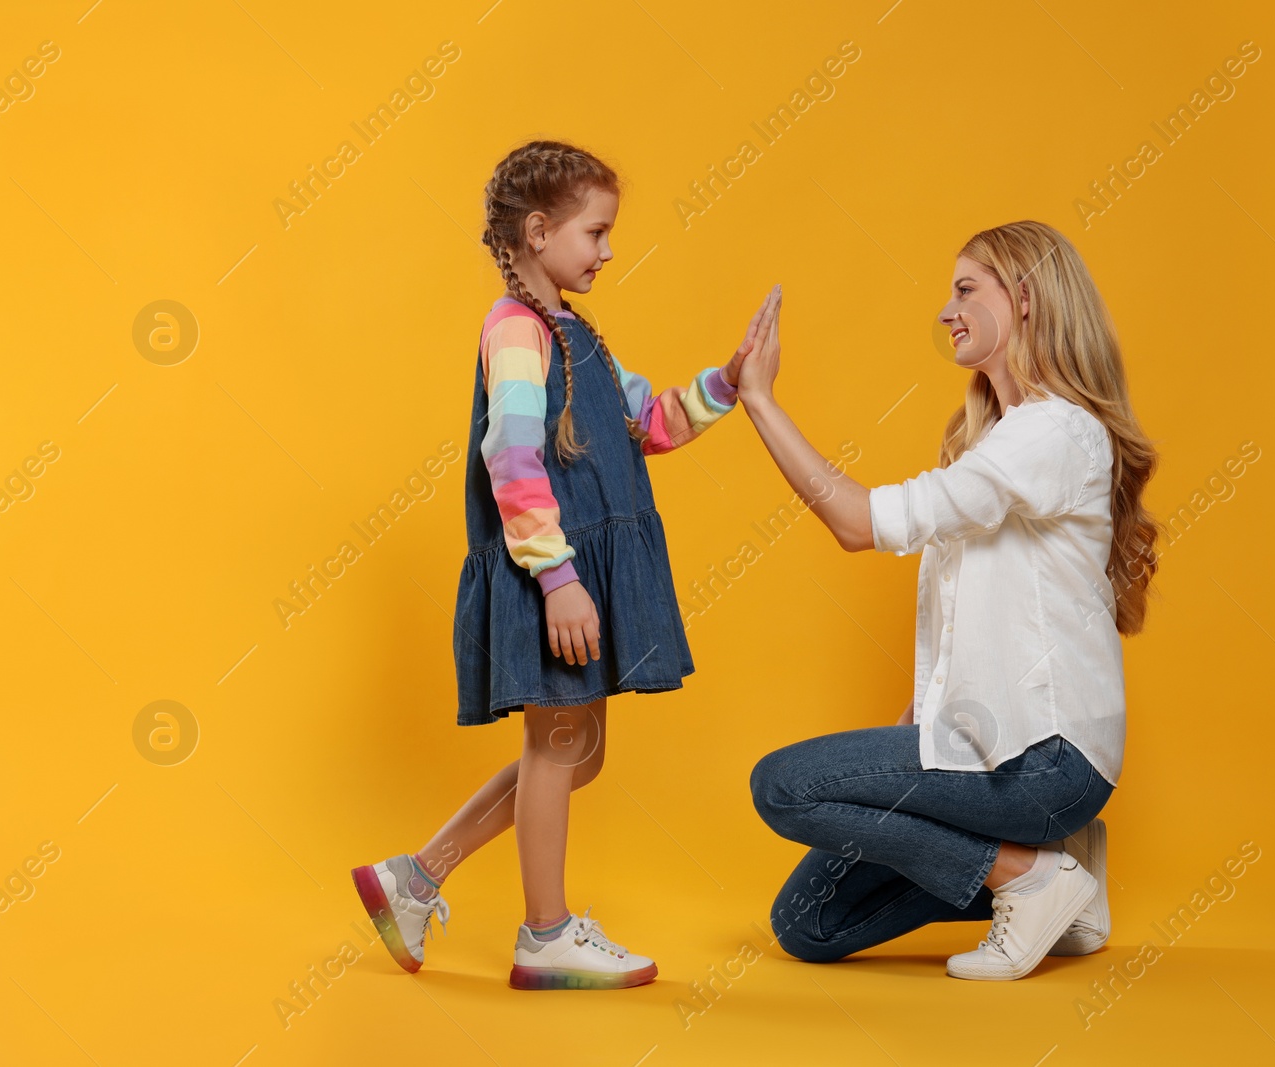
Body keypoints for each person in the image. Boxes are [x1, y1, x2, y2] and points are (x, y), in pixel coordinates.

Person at [350, 140, 772, 990]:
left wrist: (725, 384)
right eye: (597, 231)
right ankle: (544, 935)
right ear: (538, 232)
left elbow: (648, 426)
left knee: (578, 753)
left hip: (573, 571)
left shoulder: (576, 333)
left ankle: (417, 876)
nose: (609, 250)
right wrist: (560, 578)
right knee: (559, 748)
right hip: (551, 574)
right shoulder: (514, 332)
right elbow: (511, 458)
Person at [742, 220, 1161, 980]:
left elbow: (857, 521)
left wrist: (761, 401)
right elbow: (978, 615)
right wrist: (917, 732)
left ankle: (1029, 878)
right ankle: (1056, 871)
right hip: (989, 746)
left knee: (782, 784)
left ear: (1025, 299)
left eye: (966, 289)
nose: (946, 310)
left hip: (1043, 759)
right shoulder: (1000, 438)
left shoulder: (1054, 433)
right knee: (807, 922)